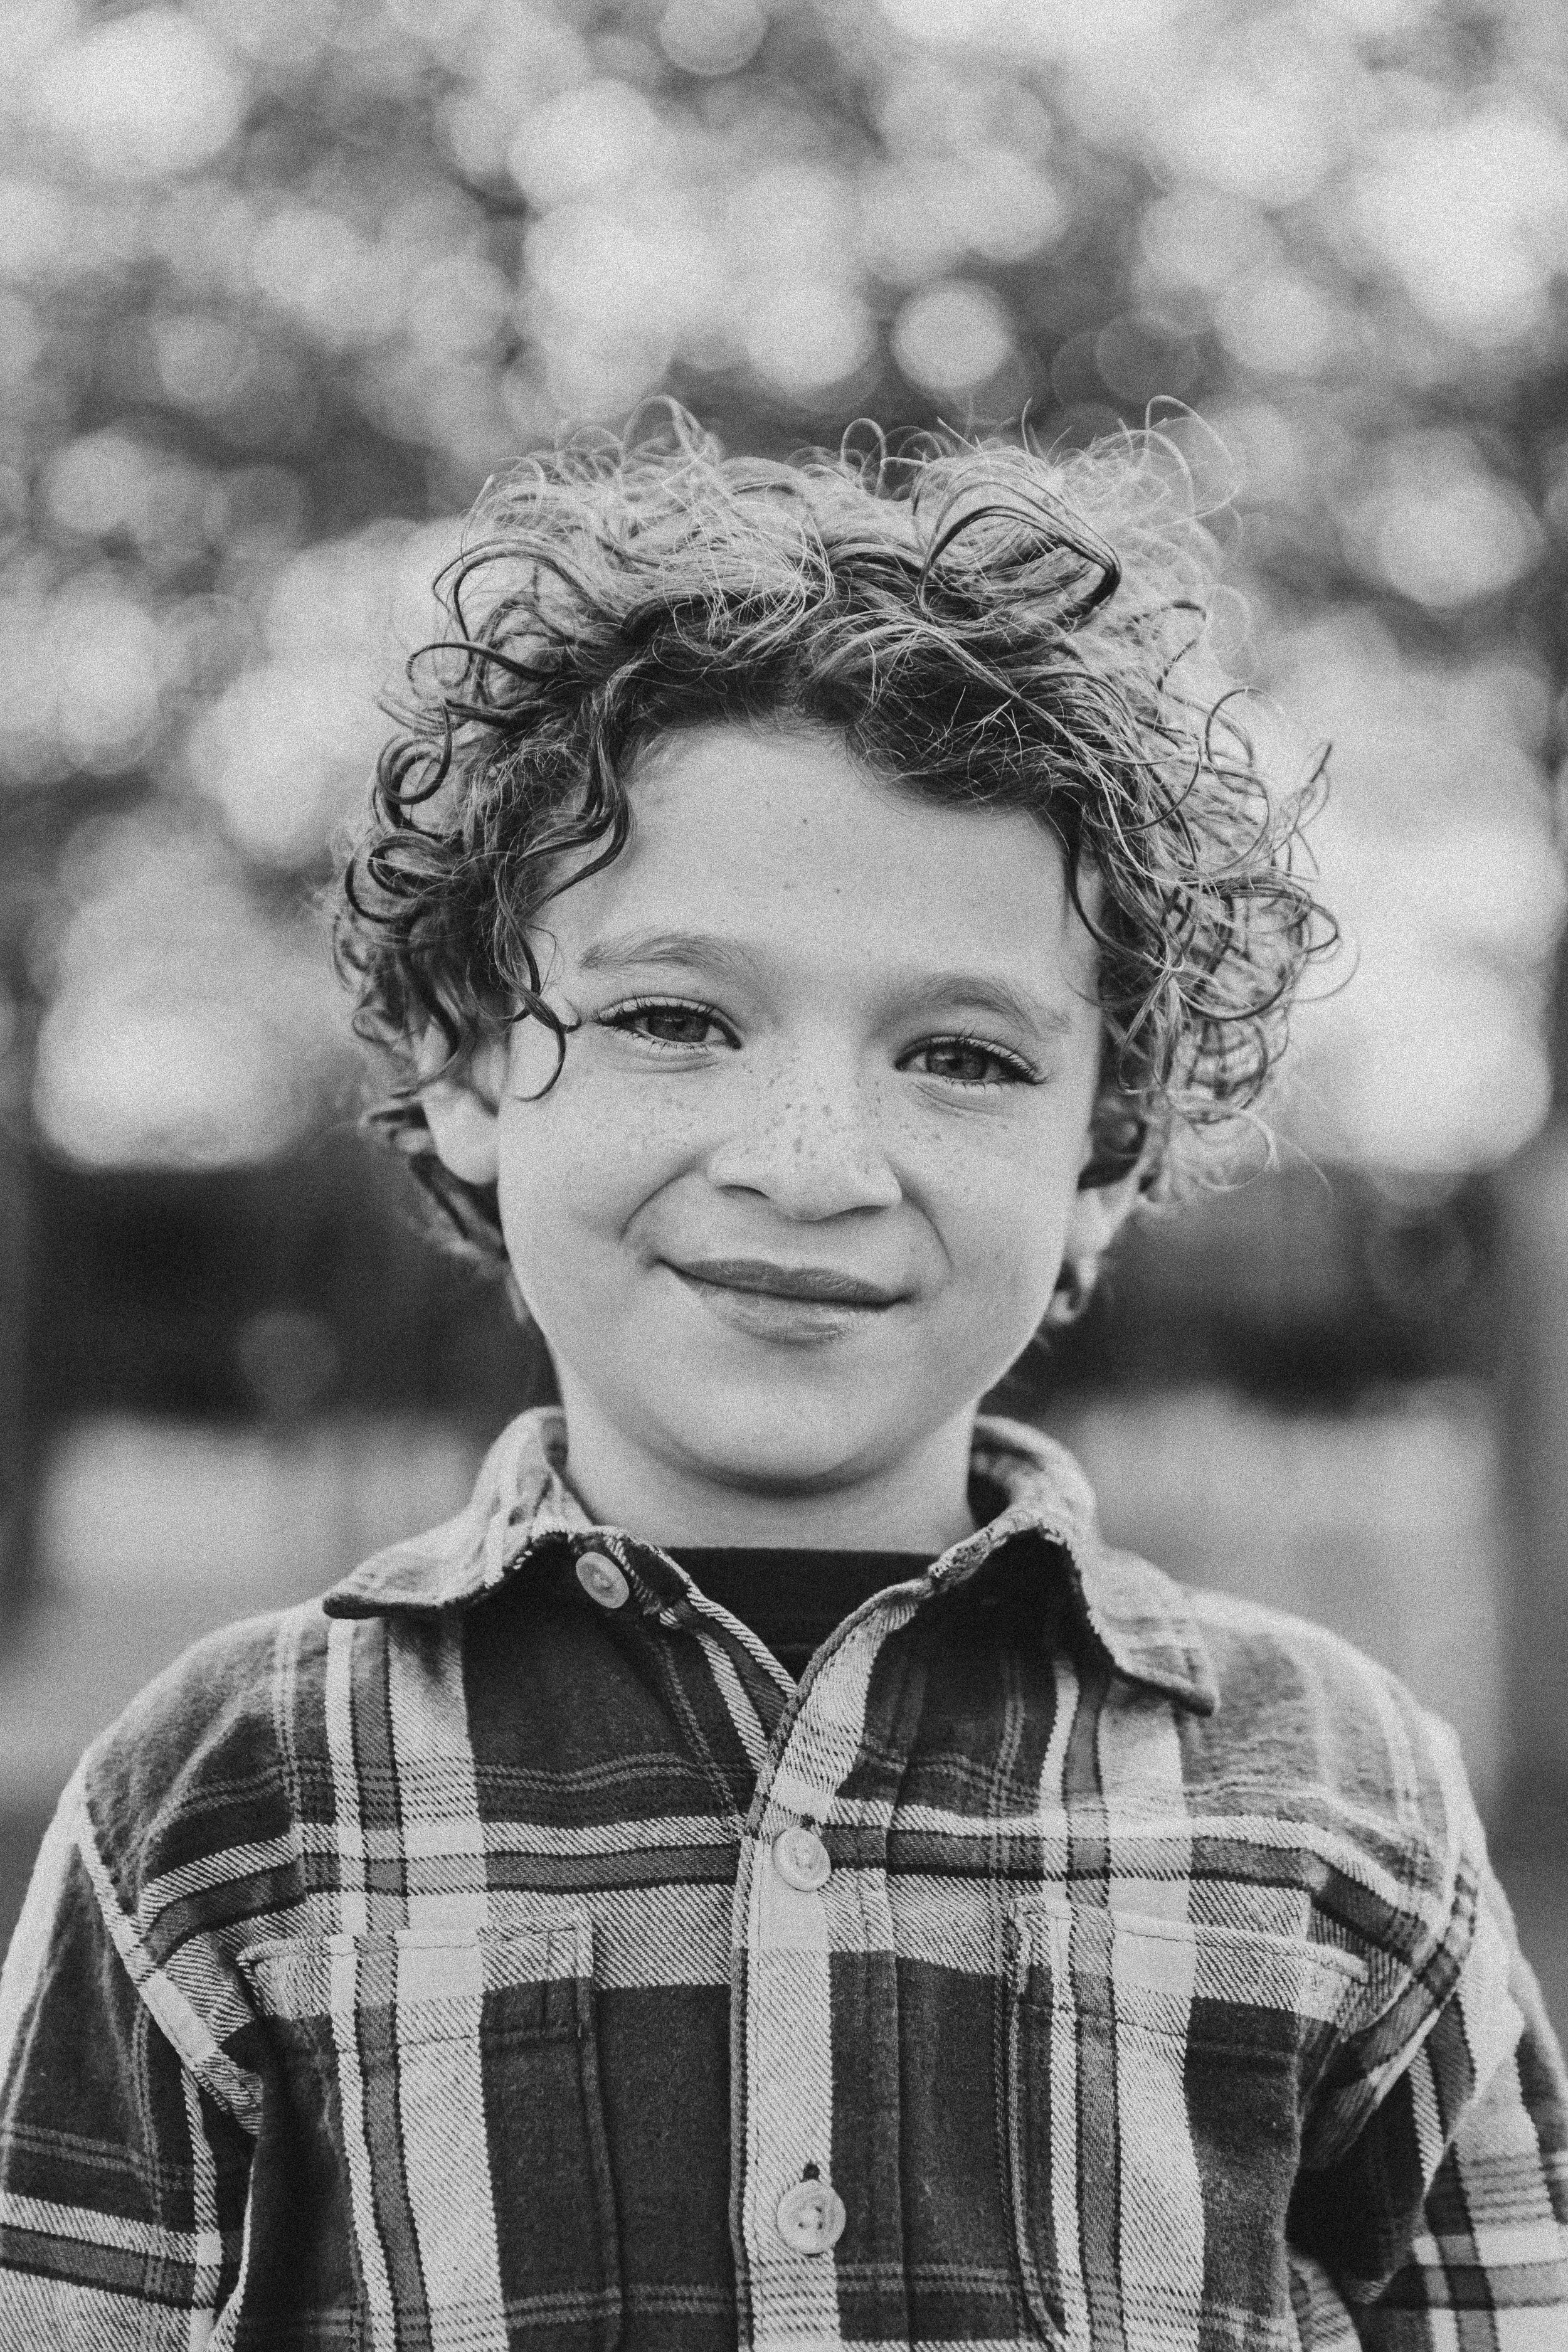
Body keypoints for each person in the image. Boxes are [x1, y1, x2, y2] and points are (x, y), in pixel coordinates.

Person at [1, 409, 1563, 2351]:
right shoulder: (221, 1803)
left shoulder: (1337, 1801)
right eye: (675, 1017)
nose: (813, 1158)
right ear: (475, 1077)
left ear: (1101, 1161)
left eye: (964, 1057)